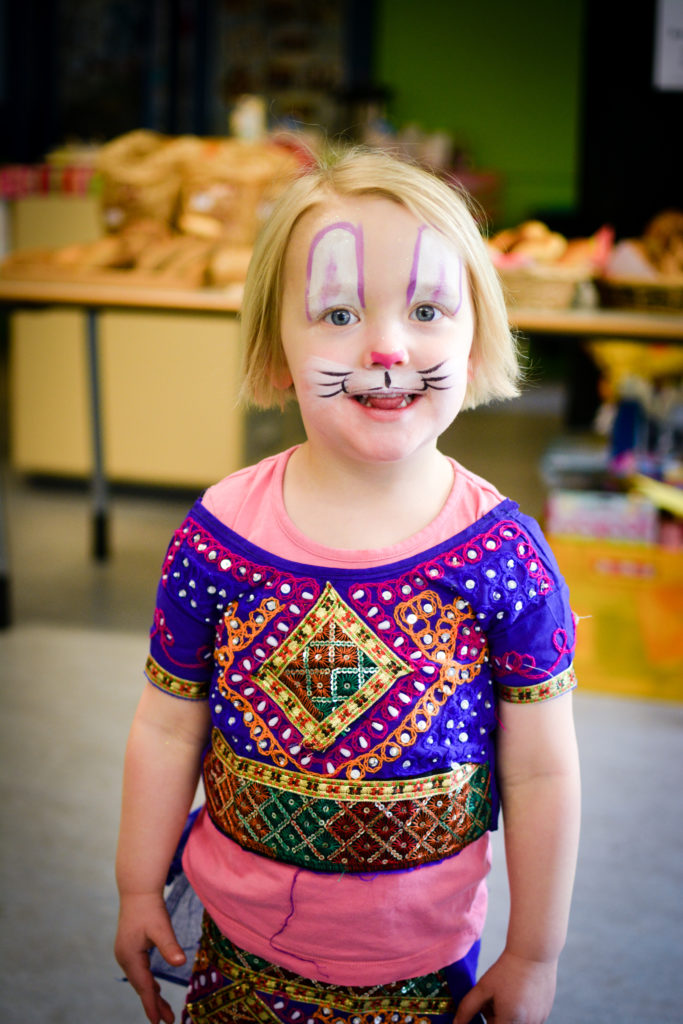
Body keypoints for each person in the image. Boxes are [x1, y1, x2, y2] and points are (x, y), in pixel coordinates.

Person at [114, 147, 581, 1024]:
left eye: (428, 309)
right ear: (276, 347)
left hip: (424, 968)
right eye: (335, 311)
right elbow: (166, 725)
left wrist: (533, 951)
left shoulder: (505, 557)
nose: (384, 346)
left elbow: (543, 774)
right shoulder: (217, 536)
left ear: (474, 336)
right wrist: (138, 886)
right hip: (232, 952)